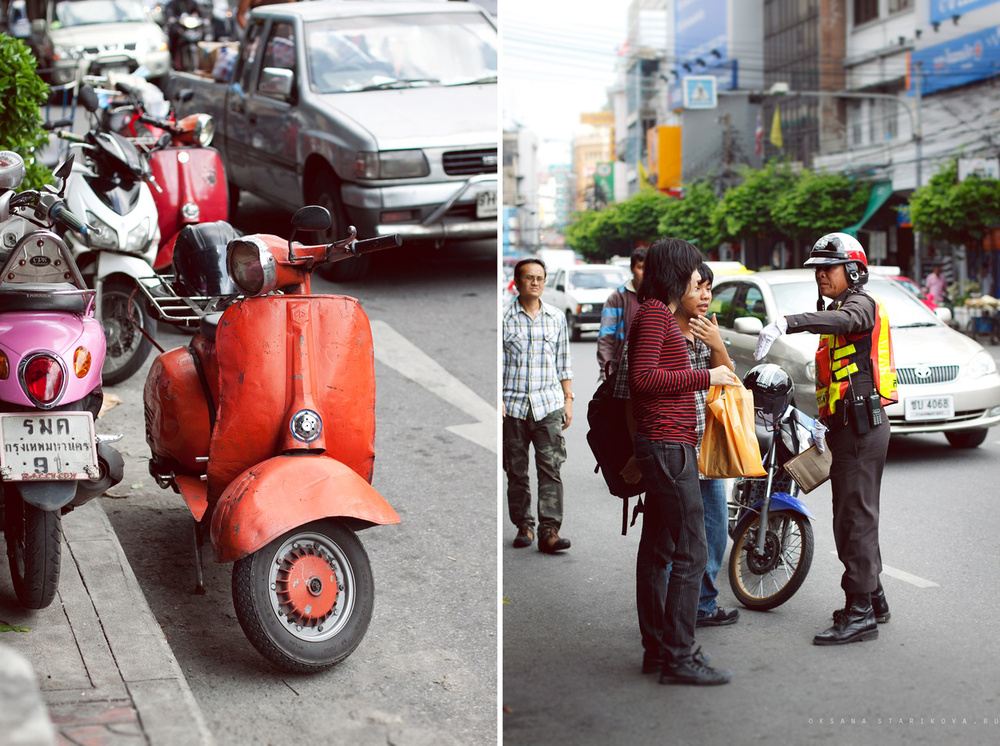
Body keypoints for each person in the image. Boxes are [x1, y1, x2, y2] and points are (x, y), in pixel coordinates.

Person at [754, 232, 897, 646]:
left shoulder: (859, 305)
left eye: (828, 267)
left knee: (854, 519)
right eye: (816, 269)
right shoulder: (839, 307)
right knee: (855, 516)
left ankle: (859, 613)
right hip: (847, 428)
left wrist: (788, 322)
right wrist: (821, 421)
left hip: (862, 431)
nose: (820, 275)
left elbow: (850, 321)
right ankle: (875, 599)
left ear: (852, 271)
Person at [628, 239, 741, 686]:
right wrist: (705, 375)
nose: (699, 277)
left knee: (658, 548)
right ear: (677, 270)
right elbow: (642, 377)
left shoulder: (657, 313)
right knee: (691, 550)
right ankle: (679, 656)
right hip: (668, 445)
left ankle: (658, 649)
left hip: (667, 444)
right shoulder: (655, 313)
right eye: (694, 270)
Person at [673, 263, 740, 629]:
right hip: (676, 450)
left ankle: (702, 604)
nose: (705, 296)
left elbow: (729, 383)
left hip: (708, 450)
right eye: (698, 287)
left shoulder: (706, 331)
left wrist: (717, 344)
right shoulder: (665, 333)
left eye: (709, 289)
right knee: (680, 537)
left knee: (714, 531)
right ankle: (676, 607)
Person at [502, 258, 574, 554]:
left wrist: (568, 400)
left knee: (551, 470)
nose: (535, 282)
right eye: (529, 278)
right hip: (514, 407)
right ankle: (524, 525)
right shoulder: (504, 318)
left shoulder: (556, 318)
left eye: (540, 278)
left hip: (548, 406)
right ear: (517, 282)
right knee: (516, 471)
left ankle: (549, 531)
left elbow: (564, 363)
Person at [597, 246, 645, 381]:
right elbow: (606, 337)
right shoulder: (617, 298)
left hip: (648, 372)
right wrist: (606, 372)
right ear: (632, 269)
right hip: (620, 371)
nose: (645, 273)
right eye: (641, 268)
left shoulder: (658, 297)